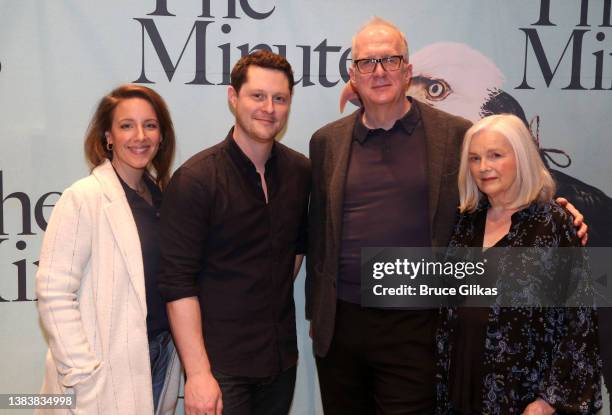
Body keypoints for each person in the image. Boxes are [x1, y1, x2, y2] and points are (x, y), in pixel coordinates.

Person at [306, 17, 588, 414]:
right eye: (367, 63)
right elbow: (318, 233)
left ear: (407, 70)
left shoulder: (455, 134)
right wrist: (317, 312)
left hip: (421, 324)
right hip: (343, 328)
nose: (380, 71)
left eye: (390, 60)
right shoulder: (326, 142)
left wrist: (555, 209)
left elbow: (497, 191)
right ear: (353, 74)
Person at [158, 50, 310, 415]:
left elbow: (296, 252)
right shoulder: (196, 180)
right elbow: (178, 284)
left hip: (281, 362)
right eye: (257, 96)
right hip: (220, 370)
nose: (269, 108)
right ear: (233, 97)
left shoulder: (300, 172)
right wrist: (197, 375)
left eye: (279, 98)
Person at [436, 114, 601, 414]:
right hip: (460, 384)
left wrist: (549, 400)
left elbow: (579, 324)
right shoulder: (467, 221)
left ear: (522, 157)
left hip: (522, 398)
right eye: (474, 158)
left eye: (496, 155)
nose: (483, 167)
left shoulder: (554, 224)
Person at [35, 85, 181, 415]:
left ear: (162, 136)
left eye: (151, 125)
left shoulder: (163, 200)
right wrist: (82, 372)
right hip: (101, 369)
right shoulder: (84, 197)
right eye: (126, 125)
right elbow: (53, 292)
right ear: (108, 136)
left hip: (158, 356)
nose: (140, 136)